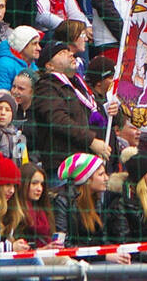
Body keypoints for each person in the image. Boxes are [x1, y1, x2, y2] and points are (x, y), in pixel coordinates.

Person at [30, 40, 111, 178]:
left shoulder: (80, 85)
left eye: (69, 51)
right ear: (49, 66)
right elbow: (59, 120)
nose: (70, 55)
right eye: (62, 53)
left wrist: (110, 110)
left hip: (89, 164)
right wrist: (91, 141)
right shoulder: (46, 87)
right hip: (64, 167)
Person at [54, 153, 130, 249]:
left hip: (94, 258)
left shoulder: (96, 200)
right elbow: (64, 244)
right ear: (87, 179)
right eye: (101, 174)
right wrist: (104, 255)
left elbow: (102, 239)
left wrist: (116, 251)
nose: (106, 178)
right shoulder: (62, 201)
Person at [0, 24, 41, 100]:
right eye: (34, 44)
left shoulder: (33, 66)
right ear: (22, 45)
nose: (39, 48)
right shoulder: (3, 66)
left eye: (38, 44)